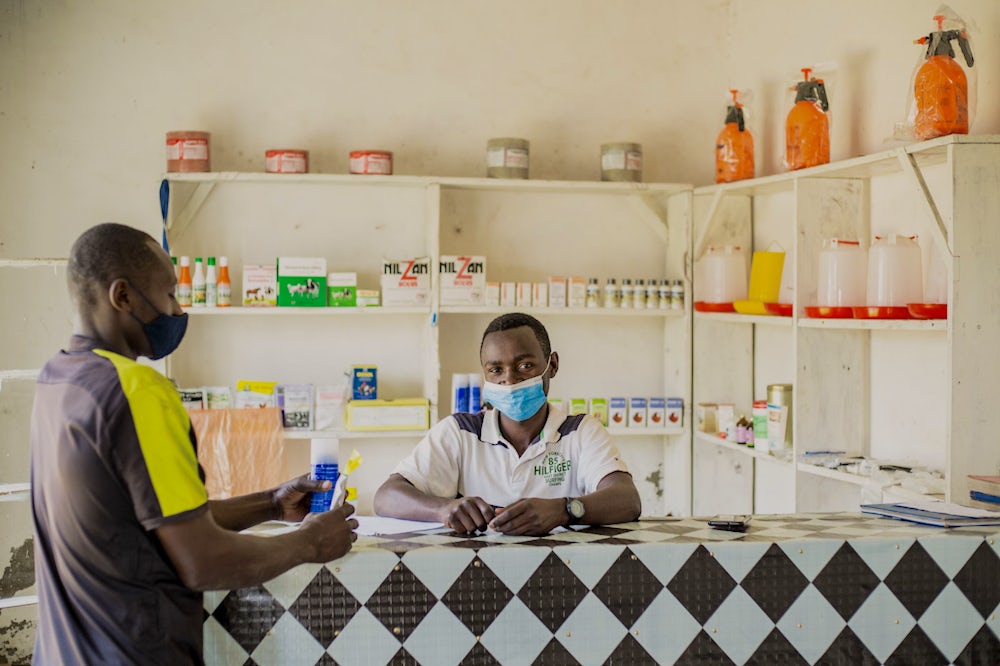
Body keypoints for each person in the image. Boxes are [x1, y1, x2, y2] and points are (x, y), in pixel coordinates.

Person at [30, 223, 358, 665]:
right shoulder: (137, 391)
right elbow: (202, 559)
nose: (177, 309)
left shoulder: (60, 378)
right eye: (168, 294)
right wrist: (310, 543)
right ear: (122, 296)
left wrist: (271, 503)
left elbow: (153, 521)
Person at [374, 312, 641, 536]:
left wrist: (562, 510)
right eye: (496, 370)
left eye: (525, 365)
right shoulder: (460, 432)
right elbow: (386, 496)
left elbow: (627, 499)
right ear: (485, 375)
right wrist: (443, 509)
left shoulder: (580, 431)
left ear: (553, 365)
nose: (510, 380)